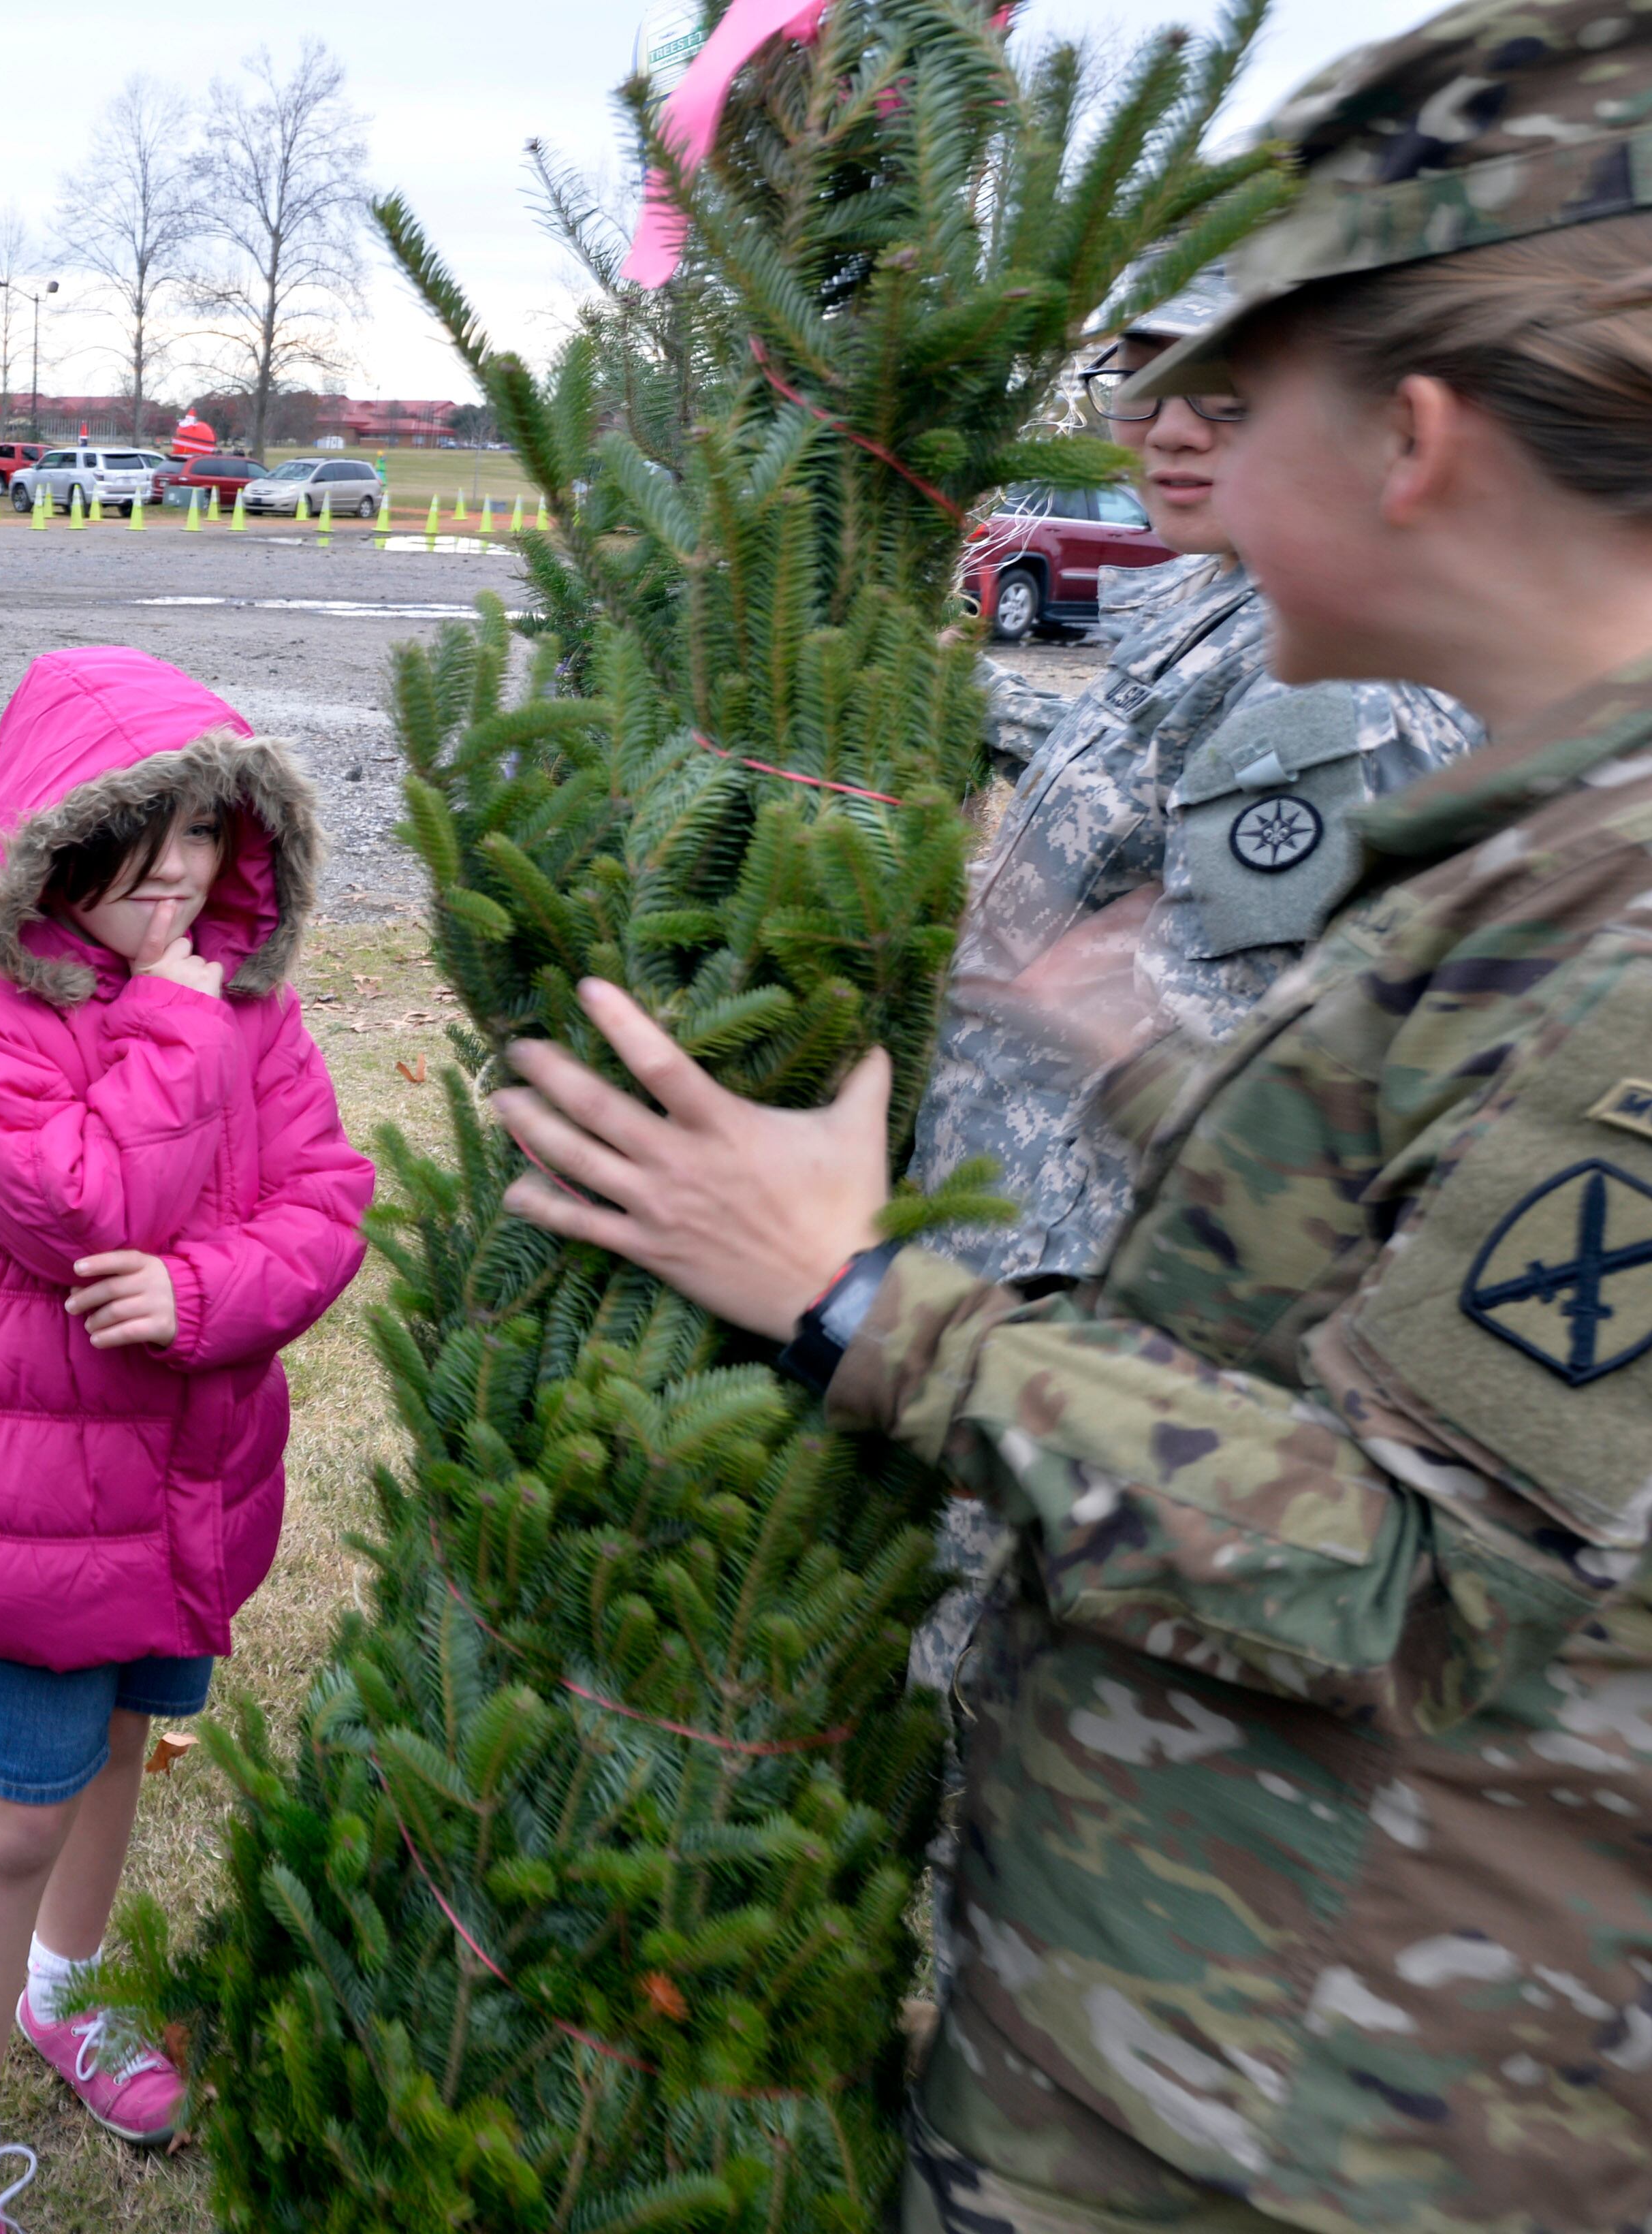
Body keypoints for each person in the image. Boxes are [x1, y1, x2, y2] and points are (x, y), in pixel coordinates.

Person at [486, 3, 1652, 2224]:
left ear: (1409, 443)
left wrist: (854, 1301)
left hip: (1312, 2126)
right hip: (1204, 2039)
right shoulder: (1534, 859)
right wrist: (1150, 1054)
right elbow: (1410, 1244)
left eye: (1236, 402)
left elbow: (1419, 1581)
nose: (1165, 451)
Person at [912, 279, 1480, 1686]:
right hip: (1004, 1247)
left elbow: (1230, 1077)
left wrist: (1076, 1002)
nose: (1168, 431)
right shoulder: (1221, 598)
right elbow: (1145, 768)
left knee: (993, 1689)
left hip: (1088, 1295)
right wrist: (961, 705)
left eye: (1222, 397)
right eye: (1141, 386)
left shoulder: (1324, 685)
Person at [0, 650, 374, 2233]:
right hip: (46, 1498)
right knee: (11, 1814)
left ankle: (67, 1991)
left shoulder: (255, 1010)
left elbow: (323, 1202)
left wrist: (201, 1293)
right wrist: (172, 1023)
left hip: (191, 1483)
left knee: (122, 1751)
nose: (175, 875)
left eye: (205, 834)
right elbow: (91, 1202)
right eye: (138, 839)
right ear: (51, 843)